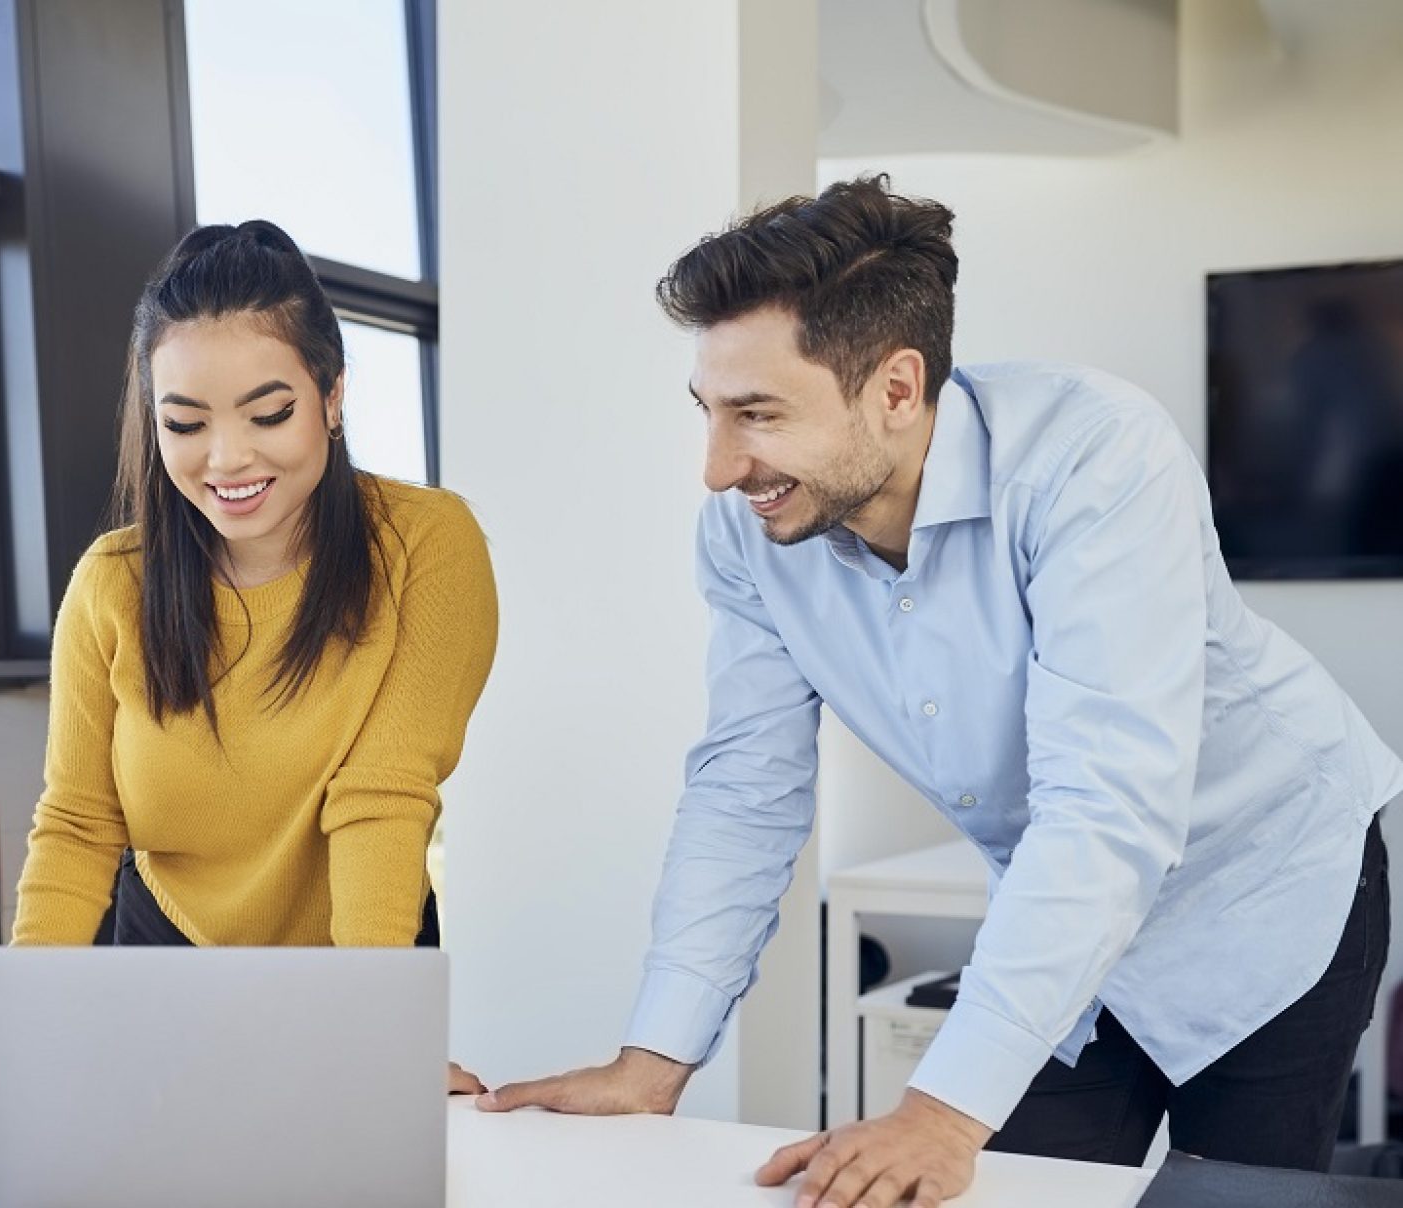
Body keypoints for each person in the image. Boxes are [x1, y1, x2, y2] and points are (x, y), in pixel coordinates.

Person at [478, 178, 1403, 1207]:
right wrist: (655, 1060)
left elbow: (1108, 803)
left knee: (1229, 1196)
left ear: (896, 388)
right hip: (1063, 907)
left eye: (758, 413)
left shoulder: (1092, 458)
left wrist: (944, 1110)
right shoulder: (749, 532)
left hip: (1267, 877)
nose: (718, 466)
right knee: (997, 1189)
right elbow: (745, 789)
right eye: (709, 410)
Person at [0, 221, 498, 1092]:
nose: (228, 459)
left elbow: (384, 794)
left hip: (356, 953)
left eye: (269, 414)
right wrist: (30, 1019)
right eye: (185, 423)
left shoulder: (425, 546)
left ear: (331, 395)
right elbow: (78, 821)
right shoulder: (112, 584)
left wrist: (375, 1033)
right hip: (160, 958)